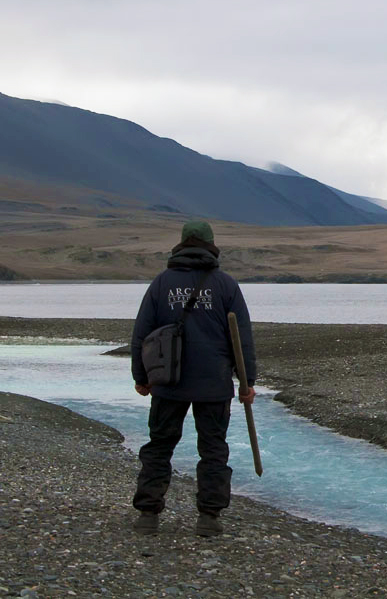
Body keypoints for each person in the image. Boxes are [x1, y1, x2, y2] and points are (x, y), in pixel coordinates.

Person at [129, 221, 256, 537]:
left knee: (159, 446)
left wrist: (141, 377)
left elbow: (141, 335)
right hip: (214, 384)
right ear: (212, 245)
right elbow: (243, 339)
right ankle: (209, 518)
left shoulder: (161, 284)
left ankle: (148, 514)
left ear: (182, 244)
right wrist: (247, 381)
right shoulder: (226, 286)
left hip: (167, 381)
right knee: (213, 450)